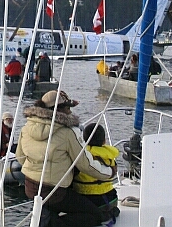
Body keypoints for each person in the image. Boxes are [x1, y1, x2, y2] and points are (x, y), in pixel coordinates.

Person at [15, 90, 115, 227]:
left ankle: (47, 216)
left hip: (31, 188)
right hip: (55, 193)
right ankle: (51, 223)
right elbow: (85, 164)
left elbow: (20, 158)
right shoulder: (68, 132)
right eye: (68, 108)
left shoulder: (26, 128)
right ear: (59, 110)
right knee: (93, 215)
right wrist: (110, 173)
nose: (70, 112)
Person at [73, 123, 120, 223]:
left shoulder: (80, 156)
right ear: (104, 141)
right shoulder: (110, 157)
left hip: (87, 201)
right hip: (110, 200)